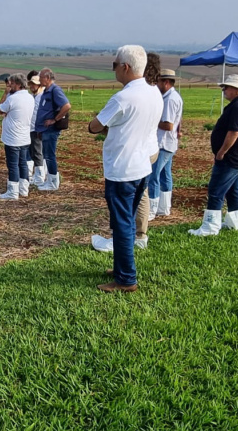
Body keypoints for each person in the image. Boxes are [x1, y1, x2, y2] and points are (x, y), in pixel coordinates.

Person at [88, 46, 162, 293]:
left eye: (114, 64)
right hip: (142, 167)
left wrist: (98, 123)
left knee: (121, 225)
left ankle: (126, 279)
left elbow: (95, 126)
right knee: (127, 222)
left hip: (122, 169)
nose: (114, 69)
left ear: (125, 67)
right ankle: (122, 267)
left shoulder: (122, 97)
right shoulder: (154, 92)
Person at [189, 74, 238, 236]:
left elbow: (234, 132)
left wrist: (221, 152)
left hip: (231, 156)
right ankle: (233, 222)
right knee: (233, 190)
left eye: (226, 87)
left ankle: (210, 227)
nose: (224, 90)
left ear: (235, 89)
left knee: (216, 189)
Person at [149, 69, 183, 219]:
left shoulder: (169, 100)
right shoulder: (174, 97)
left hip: (163, 143)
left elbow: (168, 125)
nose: (156, 85)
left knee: (153, 176)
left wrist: (151, 120)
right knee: (165, 175)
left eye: (158, 82)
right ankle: (164, 207)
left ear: (166, 83)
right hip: (169, 143)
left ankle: (151, 210)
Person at [0, 73, 34, 200]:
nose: (10, 86)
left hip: (13, 137)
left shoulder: (12, 98)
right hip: (24, 136)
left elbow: (0, 109)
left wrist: (5, 94)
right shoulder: (30, 98)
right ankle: (24, 190)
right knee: (22, 163)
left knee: (12, 164)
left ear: (18, 84)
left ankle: (12, 192)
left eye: (11, 83)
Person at [35, 68, 71, 191]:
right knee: (47, 155)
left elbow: (66, 106)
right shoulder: (46, 91)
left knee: (49, 155)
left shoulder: (55, 90)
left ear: (48, 78)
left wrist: (55, 119)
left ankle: (53, 183)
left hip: (50, 129)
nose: (39, 79)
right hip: (44, 129)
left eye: (41, 77)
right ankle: (50, 181)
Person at [26, 71, 46, 185]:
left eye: (34, 84)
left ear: (39, 85)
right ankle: (36, 175)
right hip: (31, 128)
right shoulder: (33, 96)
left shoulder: (42, 97)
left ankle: (39, 177)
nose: (32, 86)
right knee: (33, 152)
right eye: (31, 84)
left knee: (38, 153)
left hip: (38, 129)